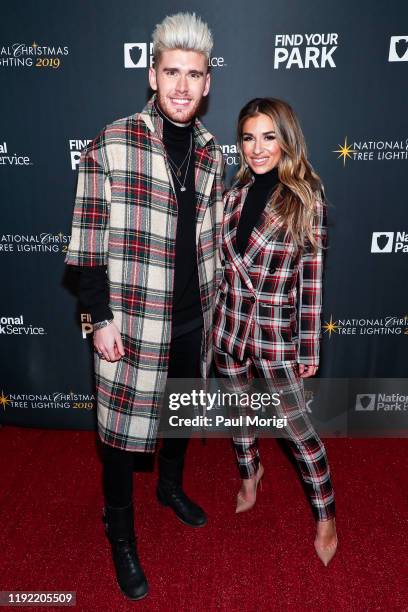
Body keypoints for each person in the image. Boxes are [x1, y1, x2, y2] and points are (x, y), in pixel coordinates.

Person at [64, 13, 224, 600]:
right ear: (152, 75)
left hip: (192, 317)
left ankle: (170, 487)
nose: (182, 86)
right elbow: (85, 242)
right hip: (129, 320)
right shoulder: (111, 142)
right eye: (171, 72)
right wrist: (98, 318)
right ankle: (121, 533)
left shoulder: (211, 152)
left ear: (208, 84)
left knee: (180, 412)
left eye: (194, 75)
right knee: (118, 433)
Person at [213, 97, 338, 566]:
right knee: (241, 416)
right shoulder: (233, 195)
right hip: (228, 330)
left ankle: (326, 516)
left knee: (300, 433)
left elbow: (312, 278)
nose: (257, 148)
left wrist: (308, 344)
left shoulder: (306, 199)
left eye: (269, 137)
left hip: (274, 334)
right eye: (248, 137)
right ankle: (250, 476)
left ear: (287, 139)